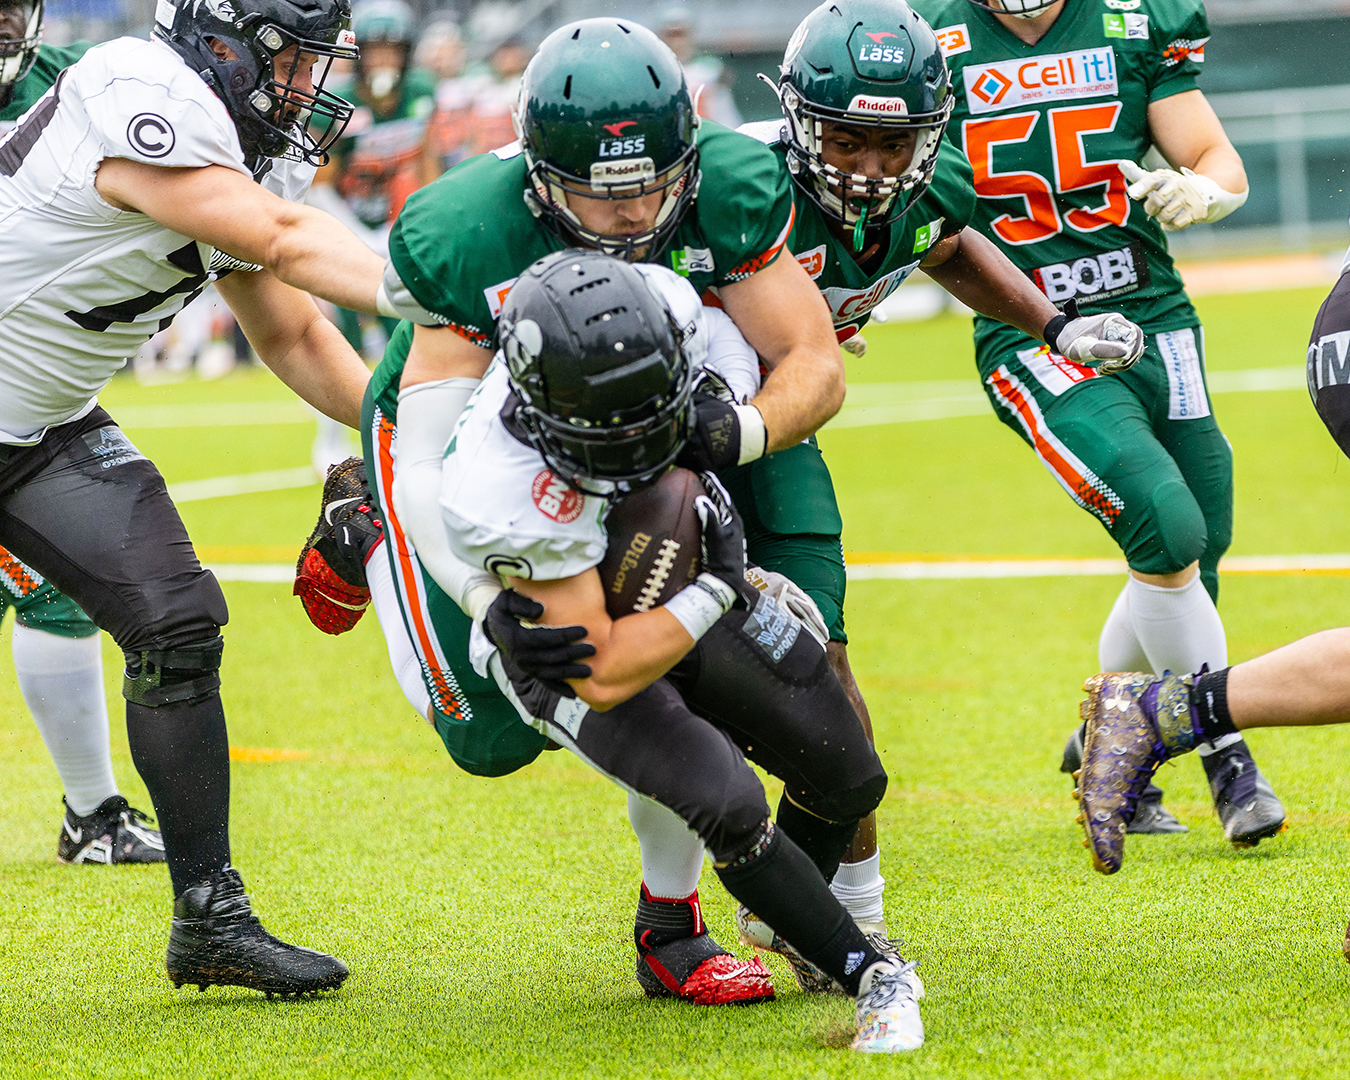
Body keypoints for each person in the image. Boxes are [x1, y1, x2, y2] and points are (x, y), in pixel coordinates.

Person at [298, 15, 855, 1005]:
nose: (632, 211)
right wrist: (480, 595)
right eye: (601, 192)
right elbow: (424, 459)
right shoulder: (471, 231)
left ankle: (669, 928)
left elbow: (811, 360)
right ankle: (365, 534)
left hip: (641, 428)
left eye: (652, 184)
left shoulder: (727, 188)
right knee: (492, 737)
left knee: (673, 672)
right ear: (539, 178)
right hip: (468, 446)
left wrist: (738, 434)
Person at [731, 0, 1144, 973]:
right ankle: (672, 920)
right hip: (669, 441)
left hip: (778, 432)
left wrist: (1054, 326)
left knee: (827, 673)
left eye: (895, 142)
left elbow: (947, 243)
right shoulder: (737, 182)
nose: (872, 167)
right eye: (847, 139)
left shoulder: (932, 182)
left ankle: (846, 913)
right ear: (798, 119)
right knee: (682, 690)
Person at [0, 0, 397, 994]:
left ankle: (211, 920)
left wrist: (404, 434)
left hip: (38, 425)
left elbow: (292, 334)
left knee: (177, 625)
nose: (310, 88)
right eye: (295, 61)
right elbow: (281, 236)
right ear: (228, 44)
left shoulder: (236, 145)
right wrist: (461, 296)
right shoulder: (141, 89)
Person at [446, 248, 926, 1052]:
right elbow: (607, 670)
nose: (638, 441)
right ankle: (870, 973)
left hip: (675, 573)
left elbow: (734, 349)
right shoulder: (501, 491)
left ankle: (784, 916)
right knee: (725, 798)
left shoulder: (669, 304)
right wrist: (717, 584)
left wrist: (723, 417)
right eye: (611, 426)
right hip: (571, 645)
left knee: (847, 772)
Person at [910, 0, 1279, 843]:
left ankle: (1112, 729)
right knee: (1164, 517)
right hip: (1033, 329)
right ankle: (1224, 753)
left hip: (1155, 314)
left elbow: (1213, 156)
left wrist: (1207, 190)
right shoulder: (931, 41)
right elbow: (891, 192)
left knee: (1196, 538)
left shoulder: (1133, 21)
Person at [0, 0, 165, 865]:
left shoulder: (77, 81)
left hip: (35, 389)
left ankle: (93, 815)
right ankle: (92, 816)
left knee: (56, 588)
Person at [306, 0, 435, 474]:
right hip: (340, 223)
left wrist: (414, 222)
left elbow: (425, 165)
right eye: (375, 50)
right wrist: (360, 233)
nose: (384, 60)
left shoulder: (420, 93)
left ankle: (401, 430)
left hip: (391, 227)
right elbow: (318, 185)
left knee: (404, 330)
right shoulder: (338, 103)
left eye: (392, 49)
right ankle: (329, 439)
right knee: (341, 333)